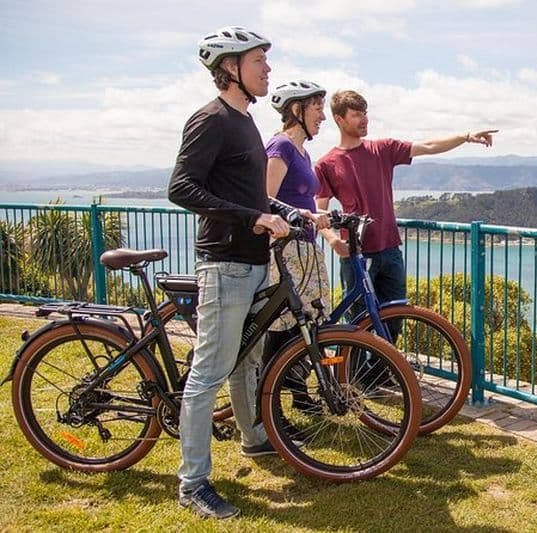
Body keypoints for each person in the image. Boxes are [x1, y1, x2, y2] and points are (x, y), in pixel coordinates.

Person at [167, 25, 292, 520]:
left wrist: (291, 213)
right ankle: (193, 483)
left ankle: (254, 437)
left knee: (247, 360)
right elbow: (181, 187)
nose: (268, 69)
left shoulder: (245, 122)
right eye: (259, 60)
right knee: (208, 373)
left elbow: (251, 195)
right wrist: (251, 217)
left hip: (253, 262)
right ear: (230, 68)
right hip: (225, 263)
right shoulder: (212, 119)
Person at [315, 89, 497, 328]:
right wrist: (332, 240)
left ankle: (387, 356)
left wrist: (466, 136)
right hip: (356, 255)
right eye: (357, 115)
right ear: (339, 119)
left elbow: (428, 146)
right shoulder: (326, 164)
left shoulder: (382, 149)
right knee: (358, 327)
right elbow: (319, 210)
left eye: (365, 113)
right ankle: (351, 355)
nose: (365, 119)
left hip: (391, 250)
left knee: (395, 321)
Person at [262, 80, 331, 412]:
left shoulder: (302, 151)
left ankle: (299, 394)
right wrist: (304, 215)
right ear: (296, 109)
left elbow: (298, 199)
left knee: (305, 323)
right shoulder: (281, 147)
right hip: (285, 248)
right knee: (283, 326)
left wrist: (318, 215)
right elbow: (265, 198)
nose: (322, 116)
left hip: (304, 246)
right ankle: (270, 403)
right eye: (317, 108)